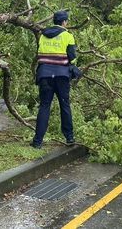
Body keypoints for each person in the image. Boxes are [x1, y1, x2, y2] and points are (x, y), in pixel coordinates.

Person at [31, 10, 77, 148]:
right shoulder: (68, 36)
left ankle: (37, 142)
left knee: (44, 106)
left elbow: (40, 55)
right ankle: (69, 138)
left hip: (45, 75)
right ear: (64, 22)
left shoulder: (43, 36)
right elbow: (72, 58)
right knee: (65, 105)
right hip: (61, 76)